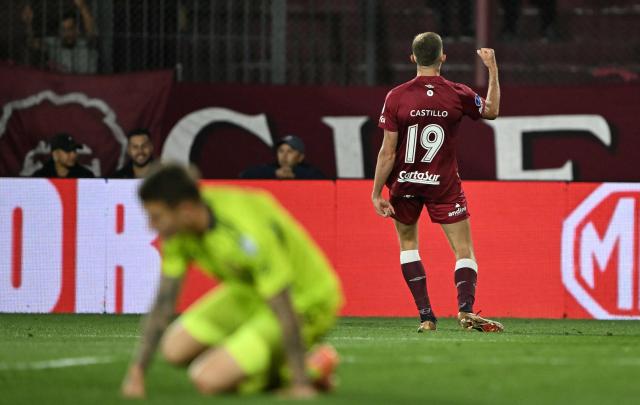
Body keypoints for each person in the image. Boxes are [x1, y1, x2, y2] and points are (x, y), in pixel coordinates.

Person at [121, 165, 343, 398]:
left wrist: (300, 384)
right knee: (173, 350)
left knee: (206, 380)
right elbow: (164, 304)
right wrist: (137, 371)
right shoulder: (179, 232)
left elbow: (284, 306)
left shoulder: (245, 231)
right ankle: (259, 361)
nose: (151, 226)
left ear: (185, 210)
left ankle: (308, 368)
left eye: (156, 217)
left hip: (304, 300)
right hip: (250, 293)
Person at [371, 32, 504, 333]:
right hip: (442, 183)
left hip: (405, 182)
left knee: (408, 245)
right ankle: (466, 309)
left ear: (413, 58)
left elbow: (388, 150)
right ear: (443, 57)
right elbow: (492, 111)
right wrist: (493, 70)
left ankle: (426, 317)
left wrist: (377, 191)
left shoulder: (396, 96)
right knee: (464, 250)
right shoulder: (457, 93)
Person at [22, 0, 98, 73]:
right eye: (63, 30)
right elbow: (32, 43)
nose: (67, 33)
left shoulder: (85, 44)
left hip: (86, 84)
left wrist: (82, 7)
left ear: (77, 30)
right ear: (59, 32)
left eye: (70, 29)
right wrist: (28, 24)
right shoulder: (54, 44)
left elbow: (91, 31)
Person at [240, 135, 325, 180]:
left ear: (300, 157)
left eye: (290, 151)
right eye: (281, 151)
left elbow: (322, 180)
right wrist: (275, 173)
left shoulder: (309, 172)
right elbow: (245, 175)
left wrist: (294, 175)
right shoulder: (270, 169)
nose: (284, 155)